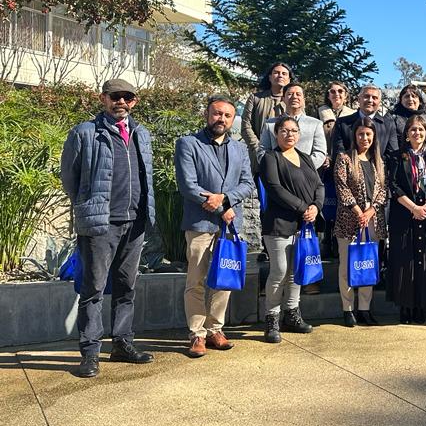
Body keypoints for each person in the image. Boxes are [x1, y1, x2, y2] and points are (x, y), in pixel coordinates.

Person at [60, 78, 156, 378]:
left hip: (135, 222)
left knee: (127, 287)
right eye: (115, 97)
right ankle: (90, 353)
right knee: (94, 289)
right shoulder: (85, 133)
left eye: (127, 97)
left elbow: (145, 176)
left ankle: (122, 343)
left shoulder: (142, 134)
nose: (121, 102)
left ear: (134, 102)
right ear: (103, 98)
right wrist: (88, 207)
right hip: (101, 224)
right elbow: (69, 178)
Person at [174, 96, 255, 358]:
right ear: (207, 114)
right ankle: (196, 334)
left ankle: (215, 329)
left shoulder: (240, 149)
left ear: (233, 119)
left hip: (230, 226)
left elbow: (248, 184)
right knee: (195, 280)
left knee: (224, 280)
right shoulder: (189, 144)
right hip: (200, 223)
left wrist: (226, 200)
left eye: (227, 116)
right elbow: (188, 185)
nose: (221, 119)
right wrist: (222, 206)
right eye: (217, 114)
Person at [259, 116, 323, 342]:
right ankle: (272, 319)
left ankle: (292, 314)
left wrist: (316, 206)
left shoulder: (305, 158)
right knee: (279, 272)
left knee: (296, 271)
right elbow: (274, 188)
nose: (290, 134)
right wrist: (303, 207)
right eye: (284, 131)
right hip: (279, 224)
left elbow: (319, 185)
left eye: (294, 130)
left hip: (304, 224)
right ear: (276, 134)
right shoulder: (270, 157)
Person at [388, 115, 426, 323]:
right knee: (405, 261)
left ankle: (421, 306)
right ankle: (405, 306)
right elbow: (393, 186)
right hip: (404, 214)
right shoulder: (397, 156)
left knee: (424, 262)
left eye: (421, 130)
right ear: (407, 134)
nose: (417, 133)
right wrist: (414, 208)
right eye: (413, 130)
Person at [333, 118, 388, 327]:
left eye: (368, 135)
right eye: (360, 134)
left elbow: (383, 190)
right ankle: (348, 309)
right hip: (350, 220)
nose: (364, 138)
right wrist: (358, 211)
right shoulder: (344, 158)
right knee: (347, 265)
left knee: (367, 264)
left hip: (373, 220)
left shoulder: (378, 161)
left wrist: (371, 210)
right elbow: (342, 187)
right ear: (354, 136)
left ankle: (364, 308)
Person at [257, 83, 327, 168]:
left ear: (303, 99)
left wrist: (304, 168)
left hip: (305, 174)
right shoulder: (270, 124)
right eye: (290, 94)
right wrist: (275, 168)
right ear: (283, 99)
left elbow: (320, 152)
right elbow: (262, 151)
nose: (294, 97)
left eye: (298, 94)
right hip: (277, 173)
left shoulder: (315, 124)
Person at [241, 61, 292, 170]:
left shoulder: (294, 101)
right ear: (269, 77)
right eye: (276, 72)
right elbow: (246, 126)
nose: (280, 75)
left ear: (289, 79)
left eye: (284, 74)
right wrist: (258, 148)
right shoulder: (255, 99)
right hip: (257, 156)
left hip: (286, 157)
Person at [332, 85, 399, 163]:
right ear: (359, 99)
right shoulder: (342, 123)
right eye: (366, 96)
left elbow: (392, 154)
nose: (370, 100)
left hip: (378, 171)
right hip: (350, 170)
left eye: (374, 98)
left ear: (379, 102)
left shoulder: (388, 124)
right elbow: (339, 153)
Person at [318, 82, 356, 158]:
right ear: (328, 96)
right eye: (332, 91)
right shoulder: (319, 112)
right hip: (325, 158)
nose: (336, 94)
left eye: (340, 91)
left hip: (347, 158)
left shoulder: (353, 115)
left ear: (345, 95)